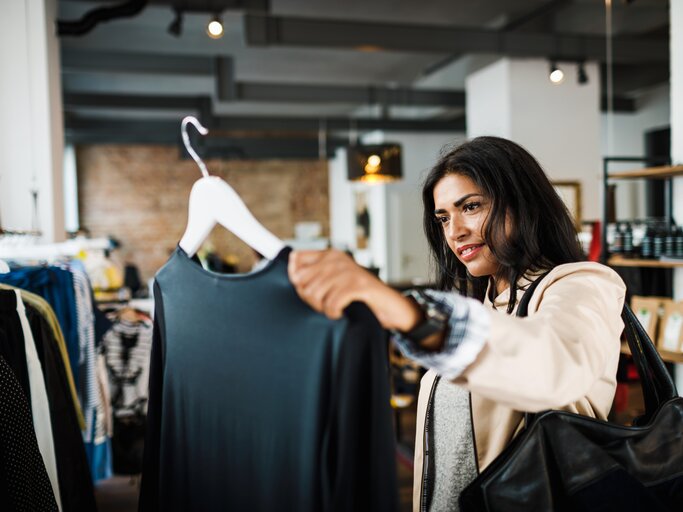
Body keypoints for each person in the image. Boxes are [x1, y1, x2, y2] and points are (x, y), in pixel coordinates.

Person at [288, 136, 626, 512]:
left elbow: (553, 363)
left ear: (523, 202)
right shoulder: (484, 306)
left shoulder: (584, 284)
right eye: (444, 217)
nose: (454, 231)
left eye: (472, 206)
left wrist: (411, 314)